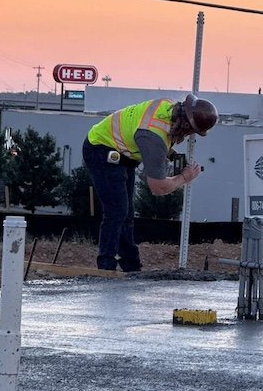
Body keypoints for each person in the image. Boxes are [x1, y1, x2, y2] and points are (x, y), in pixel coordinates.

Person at [82, 93, 218, 272]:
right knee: (117, 211)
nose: (189, 136)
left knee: (126, 213)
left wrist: (169, 153)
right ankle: (105, 267)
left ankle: (130, 264)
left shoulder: (167, 107)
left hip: (121, 151)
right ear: (186, 125)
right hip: (101, 149)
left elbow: (155, 137)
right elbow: (158, 187)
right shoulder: (153, 137)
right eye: (191, 132)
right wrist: (184, 178)